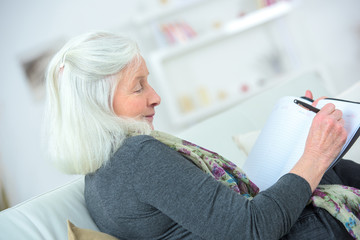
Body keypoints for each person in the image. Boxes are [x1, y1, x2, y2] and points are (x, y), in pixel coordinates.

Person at [44, 31, 360, 240]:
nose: (155, 97)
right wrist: (314, 155)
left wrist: (304, 134)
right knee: (338, 171)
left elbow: (226, 210)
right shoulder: (136, 158)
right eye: (138, 86)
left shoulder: (100, 173)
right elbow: (253, 229)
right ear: (98, 104)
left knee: (336, 168)